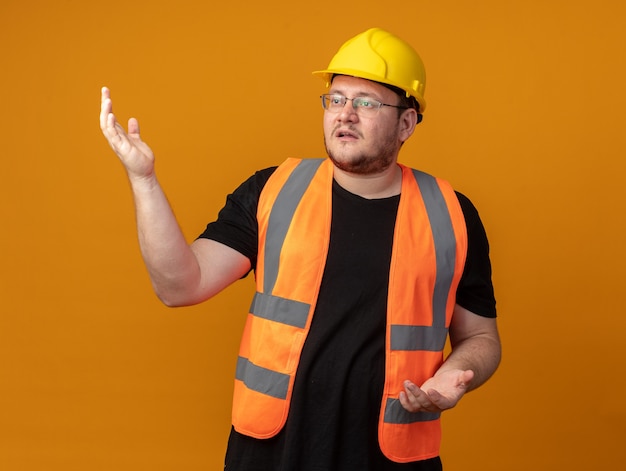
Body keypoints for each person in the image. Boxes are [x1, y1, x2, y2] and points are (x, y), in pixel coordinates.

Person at [100, 28, 501, 471]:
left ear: (406, 122)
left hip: (392, 455)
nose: (345, 115)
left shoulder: (451, 214)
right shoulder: (273, 191)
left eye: (367, 102)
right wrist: (144, 180)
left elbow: (480, 339)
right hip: (272, 451)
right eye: (336, 99)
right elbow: (179, 286)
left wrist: (455, 376)